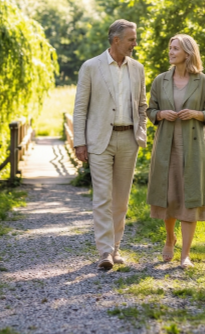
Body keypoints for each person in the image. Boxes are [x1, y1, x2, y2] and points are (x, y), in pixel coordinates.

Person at [73, 20, 147, 270]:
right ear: (116, 40)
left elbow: (142, 106)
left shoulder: (137, 68)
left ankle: (116, 248)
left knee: (122, 200)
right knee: (103, 197)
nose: (135, 44)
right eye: (131, 40)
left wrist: (141, 133)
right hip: (99, 141)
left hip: (128, 140)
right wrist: (79, 142)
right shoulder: (91, 67)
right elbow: (80, 107)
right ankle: (104, 251)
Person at [146, 34, 205, 269]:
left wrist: (197, 114)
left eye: (175, 48)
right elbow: (150, 109)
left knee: (190, 198)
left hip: (193, 147)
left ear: (188, 53)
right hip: (167, 146)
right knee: (170, 195)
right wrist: (160, 114)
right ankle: (169, 238)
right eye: (170, 47)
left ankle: (185, 254)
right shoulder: (160, 80)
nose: (171, 51)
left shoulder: (203, 81)